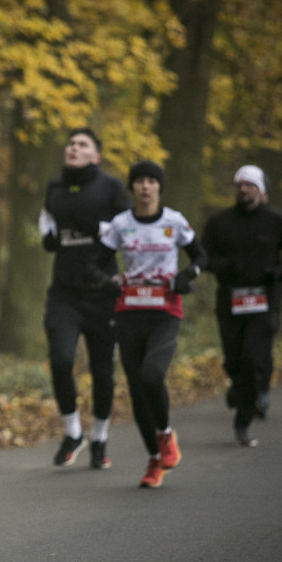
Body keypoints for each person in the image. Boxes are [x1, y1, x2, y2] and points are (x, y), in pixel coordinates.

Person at [97, 161, 207, 488]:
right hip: (128, 313)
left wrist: (187, 276)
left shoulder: (174, 222)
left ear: (159, 187)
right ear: (132, 188)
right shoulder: (120, 224)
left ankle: (166, 436)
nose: (145, 187)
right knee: (137, 391)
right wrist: (106, 280)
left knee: (152, 375)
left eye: (151, 181)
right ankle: (155, 459)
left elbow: (201, 257)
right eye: (140, 182)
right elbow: (98, 261)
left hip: (164, 313)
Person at [39, 127, 131, 469]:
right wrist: (47, 233)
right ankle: (73, 431)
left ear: (96, 155)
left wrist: (99, 232)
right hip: (64, 292)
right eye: (70, 143)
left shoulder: (110, 187)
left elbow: (130, 225)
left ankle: (100, 437)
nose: (73, 148)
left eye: (82, 144)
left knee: (102, 368)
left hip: (102, 292)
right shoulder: (56, 186)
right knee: (61, 359)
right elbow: (47, 215)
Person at [201, 164, 282, 446]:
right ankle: (239, 386)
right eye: (240, 185)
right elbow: (203, 257)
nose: (244, 190)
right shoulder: (219, 222)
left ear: (262, 191)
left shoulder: (278, 221)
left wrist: (278, 272)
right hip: (231, 300)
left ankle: (243, 422)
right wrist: (226, 266)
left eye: (250, 185)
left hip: (264, 301)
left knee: (252, 358)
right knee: (233, 359)